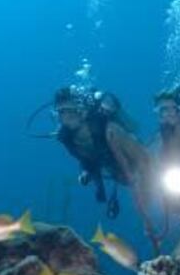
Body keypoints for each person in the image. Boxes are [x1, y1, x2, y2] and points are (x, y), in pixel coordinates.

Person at [52, 86, 154, 219]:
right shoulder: (67, 139)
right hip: (121, 174)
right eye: (60, 113)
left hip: (146, 174)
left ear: (82, 111)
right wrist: (86, 171)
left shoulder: (109, 130)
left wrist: (146, 193)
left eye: (70, 111)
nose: (65, 118)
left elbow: (144, 160)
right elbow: (85, 158)